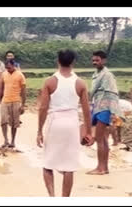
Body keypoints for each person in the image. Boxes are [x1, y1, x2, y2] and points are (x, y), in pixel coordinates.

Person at [37, 49, 93, 197]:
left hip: (55, 122)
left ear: (58, 61)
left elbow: (43, 108)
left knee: (48, 163)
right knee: (69, 165)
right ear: (74, 62)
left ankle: (52, 197)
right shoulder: (80, 83)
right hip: (72, 123)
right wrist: (89, 132)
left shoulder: (50, 82)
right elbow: (87, 110)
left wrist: (39, 130)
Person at [87, 50, 124, 175]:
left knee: (99, 139)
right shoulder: (97, 74)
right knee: (103, 138)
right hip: (98, 106)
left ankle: (100, 168)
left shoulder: (107, 75)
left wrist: (113, 112)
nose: (94, 62)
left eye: (97, 60)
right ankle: (104, 167)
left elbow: (113, 93)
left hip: (104, 108)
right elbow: (94, 92)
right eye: (93, 60)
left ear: (104, 60)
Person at [0, 59, 26, 148]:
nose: (8, 69)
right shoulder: (4, 74)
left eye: (9, 67)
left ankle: (13, 141)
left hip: (16, 101)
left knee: (14, 123)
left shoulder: (20, 75)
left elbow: (23, 91)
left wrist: (23, 105)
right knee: (3, 121)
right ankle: (6, 140)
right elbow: (1, 87)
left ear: (14, 66)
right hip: (5, 100)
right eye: (6, 68)